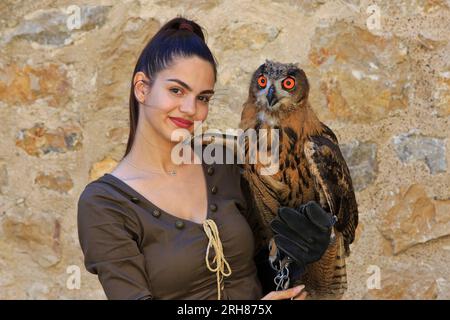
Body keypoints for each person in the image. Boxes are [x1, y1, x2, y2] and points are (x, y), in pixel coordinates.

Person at [77, 17, 333, 300]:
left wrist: (295, 261)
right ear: (142, 88)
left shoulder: (222, 162)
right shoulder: (104, 204)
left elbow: (256, 268)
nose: (190, 109)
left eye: (204, 98)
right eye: (176, 90)